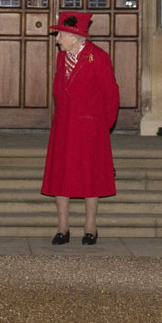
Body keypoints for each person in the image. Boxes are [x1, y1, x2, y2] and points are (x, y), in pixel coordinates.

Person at [41, 12, 119, 245]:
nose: (57, 39)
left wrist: (101, 128)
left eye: (61, 35)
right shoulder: (62, 58)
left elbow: (112, 95)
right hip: (64, 127)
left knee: (90, 178)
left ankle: (90, 228)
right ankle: (62, 229)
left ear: (76, 37)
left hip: (89, 128)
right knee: (60, 178)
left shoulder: (99, 57)